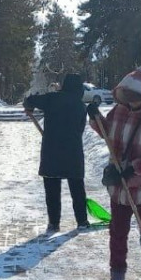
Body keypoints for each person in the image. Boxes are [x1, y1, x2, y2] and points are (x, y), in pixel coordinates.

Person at [86, 65, 141, 280]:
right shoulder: (119, 111)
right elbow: (108, 132)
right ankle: (117, 271)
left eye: (134, 96)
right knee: (117, 230)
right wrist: (95, 118)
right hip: (119, 186)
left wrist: (134, 168)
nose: (130, 100)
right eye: (127, 95)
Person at [23, 73, 90, 232]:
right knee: (77, 188)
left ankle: (54, 223)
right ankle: (82, 221)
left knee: (52, 189)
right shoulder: (81, 106)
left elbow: (29, 100)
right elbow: (80, 129)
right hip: (73, 151)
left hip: (51, 151)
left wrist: (29, 106)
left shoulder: (52, 98)